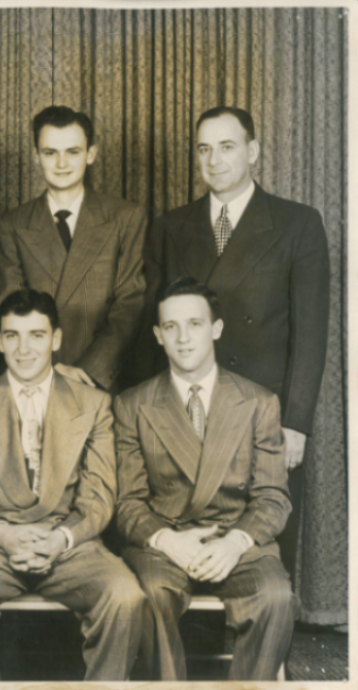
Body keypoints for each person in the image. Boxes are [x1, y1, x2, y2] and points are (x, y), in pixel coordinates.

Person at [143, 106, 329, 577]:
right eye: (204, 149)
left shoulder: (297, 223)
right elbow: (157, 329)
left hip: (264, 413)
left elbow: (310, 334)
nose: (214, 160)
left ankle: (271, 644)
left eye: (227, 147)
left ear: (253, 151)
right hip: (190, 405)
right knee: (191, 537)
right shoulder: (170, 226)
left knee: (266, 548)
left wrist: (297, 422)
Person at [0, 288, 146, 681]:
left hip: (69, 540)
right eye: (12, 335)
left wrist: (60, 539)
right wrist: (3, 534)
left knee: (126, 597)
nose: (24, 348)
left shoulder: (94, 404)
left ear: (56, 339)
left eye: (36, 335)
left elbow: (99, 499)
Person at [116, 277, 297, 680]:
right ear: (158, 336)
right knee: (147, 597)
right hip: (165, 541)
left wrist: (235, 542)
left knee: (276, 597)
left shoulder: (258, 401)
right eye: (171, 327)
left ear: (216, 329)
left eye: (195, 324)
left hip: (238, 538)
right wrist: (167, 540)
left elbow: (273, 497)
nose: (183, 338)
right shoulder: (132, 405)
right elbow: (126, 502)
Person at [0, 106, 147, 392]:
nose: (61, 163)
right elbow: (13, 309)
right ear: (36, 156)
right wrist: (50, 369)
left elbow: (130, 303)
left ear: (91, 154)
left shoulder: (126, 217)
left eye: (73, 152)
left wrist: (88, 370)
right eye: (50, 153)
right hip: (35, 376)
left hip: (102, 379)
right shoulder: (12, 224)